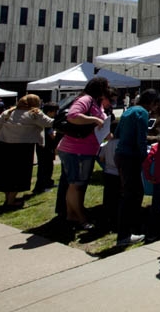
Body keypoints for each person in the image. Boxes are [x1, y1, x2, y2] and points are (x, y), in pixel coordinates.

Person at [55, 77, 109, 230]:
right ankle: (79, 217)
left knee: (77, 185)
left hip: (86, 149)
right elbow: (73, 115)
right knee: (75, 185)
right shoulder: (86, 99)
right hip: (75, 149)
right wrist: (94, 119)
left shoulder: (96, 102)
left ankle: (72, 213)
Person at [114, 88, 160, 246]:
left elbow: (118, 133)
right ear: (153, 103)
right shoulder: (142, 113)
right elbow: (140, 139)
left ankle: (128, 230)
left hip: (121, 154)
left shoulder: (129, 111)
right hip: (131, 157)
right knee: (132, 195)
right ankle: (124, 235)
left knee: (131, 193)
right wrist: (146, 158)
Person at [0, 94, 53, 208]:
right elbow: (49, 122)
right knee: (19, 175)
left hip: (3, 146)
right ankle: (11, 201)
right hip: (23, 148)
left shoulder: (8, 112)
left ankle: (8, 199)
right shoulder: (34, 113)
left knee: (6, 174)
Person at [98, 117, 121, 230]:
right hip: (118, 174)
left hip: (108, 173)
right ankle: (116, 217)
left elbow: (101, 159)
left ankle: (107, 216)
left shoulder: (106, 144)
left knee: (108, 196)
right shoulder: (121, 144)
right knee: (118, 197)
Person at [33, 101, 60, 193]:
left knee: (48, 166)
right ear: (49, 112)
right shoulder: (46, 121)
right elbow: (52, 135)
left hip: (45, 146)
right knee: (44, 167)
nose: (56, 114)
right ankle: (40, 187)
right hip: (44, 147)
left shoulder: (43, 119)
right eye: (55, 111)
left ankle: (48, 182)